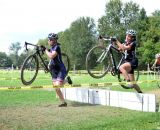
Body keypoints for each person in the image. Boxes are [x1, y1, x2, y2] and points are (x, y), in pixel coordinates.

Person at [43, 33, 72, 107]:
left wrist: (45, 50)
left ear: (53, 40)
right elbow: (51, 61)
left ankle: (66, 80)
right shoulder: (52, 48)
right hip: (54, 70)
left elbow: (51, 56)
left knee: (58, 86)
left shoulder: (57, 47)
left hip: (60, 69)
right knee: (56, 88)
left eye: (49, 40)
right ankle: (63, 102)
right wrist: (48, 67)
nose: (48, 41)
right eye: (48, 40)